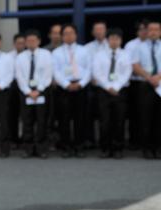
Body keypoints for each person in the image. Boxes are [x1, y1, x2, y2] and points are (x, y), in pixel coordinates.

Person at [52, 24, 92, 158]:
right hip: (64, 88)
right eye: (66, 34)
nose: (69, 36)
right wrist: (66, 84)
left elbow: (89, 70)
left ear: (76, 35)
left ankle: (79, 146)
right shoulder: (56, 52)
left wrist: (81, 84)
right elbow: (55, 71)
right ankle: (66, 146)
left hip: (81, 86)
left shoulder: (84, 50)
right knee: (64, 118)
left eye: (71, 33)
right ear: (62, 36)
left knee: (80, 118)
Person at [92, 28, 131, 159]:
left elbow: (127, 72)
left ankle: (118, 147)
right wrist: (108, 86)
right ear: (107, 40)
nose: (114, 41)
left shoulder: (126, 54)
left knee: (119, 120)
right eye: (112, 38)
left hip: (120, 91)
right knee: (105, 120)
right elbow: (97, 72)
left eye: (117, 38)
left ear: (121, 40)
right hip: (104, 91)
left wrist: (117, 86)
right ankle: (105, 148)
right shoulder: (100, 54)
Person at [15, 29, 53, 158]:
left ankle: (42, 148)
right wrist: (28, 91)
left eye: (33, 40)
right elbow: (19, 76)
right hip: (26, 92)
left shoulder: (46, 54)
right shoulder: (20, 57)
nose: (31, 43)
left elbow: (48, 74)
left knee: (42, 121)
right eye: (28, 41)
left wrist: (39, 90)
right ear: (25, 42)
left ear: (39, 41)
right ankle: (28, 148)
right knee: (27, 121)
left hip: (42, 91)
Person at [131, 20, 161, 159]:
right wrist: (150, 78)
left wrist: (158, 77)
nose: (154, 32)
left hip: (160, 84)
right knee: (145, 117)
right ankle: (147, 148)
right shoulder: (139, 47)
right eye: (151, 29)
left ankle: (157, 148)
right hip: (145, 85)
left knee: (158, 118)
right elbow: (135, 66)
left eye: (157, 29)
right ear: (146, 32)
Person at [84, 21, 109, 149]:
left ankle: (105, 141)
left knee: (105, 115)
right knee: (89, 114)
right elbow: (84, 66)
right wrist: (90, 78)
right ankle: (90, 140)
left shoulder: (111, 46)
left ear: (106, 31)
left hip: (107, 86)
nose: (99, 32)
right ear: (93, 32)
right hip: (91, 85)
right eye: (96, 30)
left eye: (101, 29)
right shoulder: (87, 48)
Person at [124, 20, 148, 150]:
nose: (143, 32)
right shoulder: (131, 45)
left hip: (153, 82)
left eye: (146, 29)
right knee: (135, 112)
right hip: (135, 82)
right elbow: (127, 64)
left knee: (149, 113)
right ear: (137, 31)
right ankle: (134, 141)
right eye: (141, 29)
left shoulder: (154, 44)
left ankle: (147, 141)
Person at [7, 33, 26, 148]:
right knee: (12, 115)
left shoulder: (29, 55)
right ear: (14, 44)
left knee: (26, 115)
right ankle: (13, 139)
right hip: (13, 86)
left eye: (23, 43)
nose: (21, 45)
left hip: (26, 86)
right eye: (19, 43)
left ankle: (25, 139)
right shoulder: (8, 56)